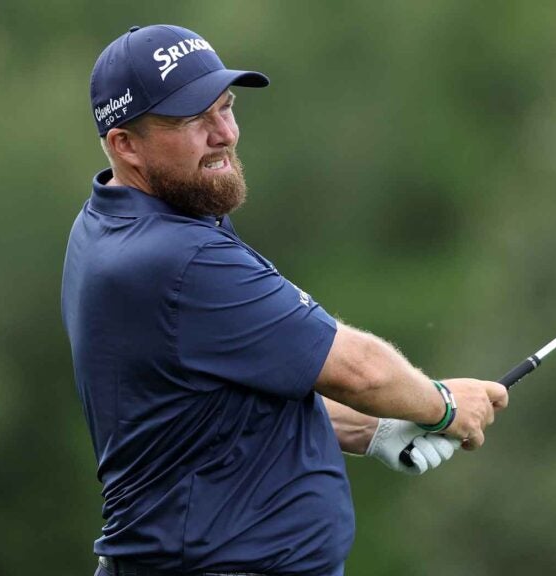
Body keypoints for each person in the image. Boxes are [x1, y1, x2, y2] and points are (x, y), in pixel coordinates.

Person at [62, 24, 508, 576]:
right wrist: (442, 406)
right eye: (192, 120)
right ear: (125, 144)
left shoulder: (108, 220)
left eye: (225, 108)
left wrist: (374, 430)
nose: (224, 133)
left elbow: (226, 400)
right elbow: (359, 371)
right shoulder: (176, 256)